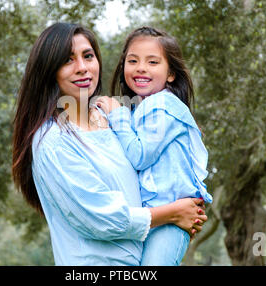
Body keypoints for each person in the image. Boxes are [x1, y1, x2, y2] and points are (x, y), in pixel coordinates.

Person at [12, 22, 207, 266]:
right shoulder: (54, 142)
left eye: (88, 56)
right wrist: (173, 213)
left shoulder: (110, 119)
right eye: (67, 60)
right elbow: (101, 219)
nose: (82, 68)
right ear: (49, 71)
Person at [96, 26, 212, 266]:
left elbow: (139, 156)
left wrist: (117, 116)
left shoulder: (164, 106)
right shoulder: (141, 109)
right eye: (133, 60)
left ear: (171, 74)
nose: (141, 67)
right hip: (154, 218)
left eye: (153, 62)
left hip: (172, 220)